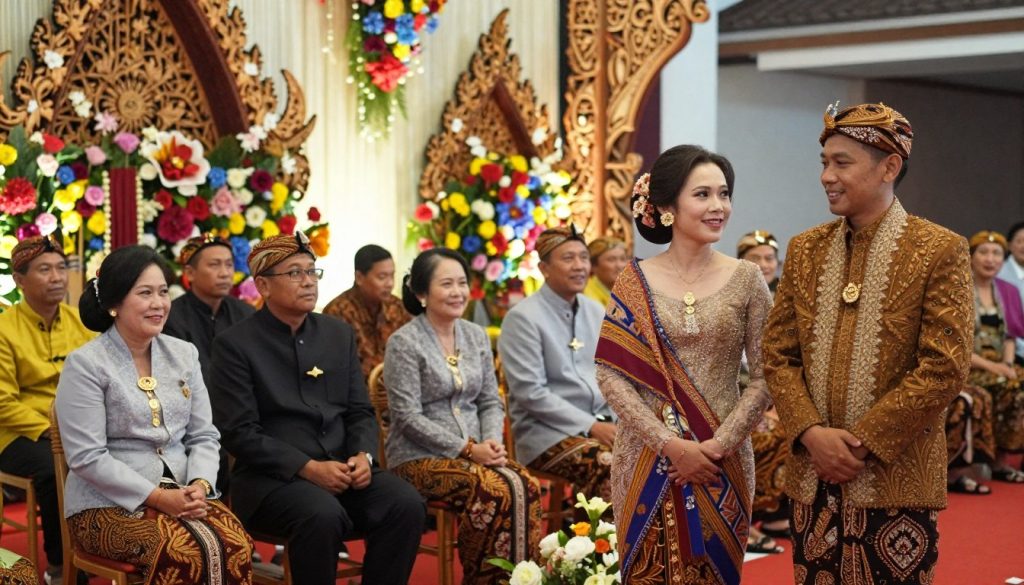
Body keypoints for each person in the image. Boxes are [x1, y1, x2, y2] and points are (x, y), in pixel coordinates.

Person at [763, 102, 974, 584]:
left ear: (889, 167)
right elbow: (777, 354)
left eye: (842, 163)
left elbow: (944, 365)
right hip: (813, 477)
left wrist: (861, 444)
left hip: (896, 479)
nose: (827, 176)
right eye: (824, 163)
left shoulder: (938, 249)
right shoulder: (805, 249)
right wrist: (812, 434)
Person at [596, 145, 773, 584]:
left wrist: (718, 445)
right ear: (667, 207)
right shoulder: (633, 281)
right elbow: (610, 373)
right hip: (645, 456)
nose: (718, 206)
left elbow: (767, 375)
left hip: (723, 459)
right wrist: (670, 445)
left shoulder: (748, 279)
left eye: (724, 194)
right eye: (702, 194)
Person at [210, 232, 425, 585]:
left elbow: (360, 410)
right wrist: (307, 468)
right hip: (273, 482)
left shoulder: (337, 333)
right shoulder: (235, 344)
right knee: (321, 515)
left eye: (312, 271)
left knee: (405, 504)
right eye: (295, 273)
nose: (308, 281)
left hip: (342, 471)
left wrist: (362, 456)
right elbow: (239, 432)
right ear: (263, 285)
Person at [54, 245, 253, 585]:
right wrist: (159, 497)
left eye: (163, 292)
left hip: (183, 491)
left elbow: (204, 435)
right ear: (114, 304)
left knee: (237, 545)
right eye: (145, 293)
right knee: (180, 551)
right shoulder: (86, 364)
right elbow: (87, 457)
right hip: (103, 503)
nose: (159, 303)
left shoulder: (184, 354)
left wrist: (200, 484)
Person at [384, 248, 542, 585]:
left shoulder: (475, 334)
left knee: (525, 484)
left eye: (462, 283)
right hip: (418, 456)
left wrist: (491, 444)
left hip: (477, 452)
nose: (457, 292)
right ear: (422, 292)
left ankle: (522, 579)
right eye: (447, 284)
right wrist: (468, 450)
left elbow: (490, 401)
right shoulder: (404, 342)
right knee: (491, 488)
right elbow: (407, 417)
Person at [0, 235, 94, 584]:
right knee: (56, 467)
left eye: (60, 268)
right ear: (19, 280)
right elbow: (2, 402)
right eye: (44, 270)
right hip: (18, 433)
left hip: (76, 426)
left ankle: (107, 546)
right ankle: (62, 566)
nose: (57, 277)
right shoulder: (4, 329)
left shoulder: (81, 322)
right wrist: (53, 431)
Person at [498, 226, 614, 503]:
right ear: (544, 268)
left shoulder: (595, 310)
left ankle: (629, 533)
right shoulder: (523, 318)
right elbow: (531, 393)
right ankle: (594, 533)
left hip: (601, 423)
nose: (579, 266)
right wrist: (590, 425)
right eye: (568, 258)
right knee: (608, 462)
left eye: (583, 258)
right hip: (545, 435)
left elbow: (612, 373)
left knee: (655, 452)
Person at [162, 233, 254, 495]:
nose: (225, 273)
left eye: (229, 264)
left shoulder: (246, 315)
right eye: (214, 265)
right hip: (194, 415)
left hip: (242, 412)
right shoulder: (172, 317)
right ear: (190, 273)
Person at [735, 230, 789, 554]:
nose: (764, 264)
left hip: (779, 394)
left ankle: (779, 513)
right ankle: (751, 518)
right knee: (770, 433)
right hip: (740, 398)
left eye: (769, 258)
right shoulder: (732, 296)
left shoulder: (786, 298)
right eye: (755, 258)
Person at [963, 231, 1024, 483]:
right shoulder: (959, 288)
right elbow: (958, 344)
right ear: (971, 256)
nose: (990, 259)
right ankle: (978, 461)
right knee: (1007, 386)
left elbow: (1011, 335)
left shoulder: (1008, 290)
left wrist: (1007, 364)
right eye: (984, 252)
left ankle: (1002, 460)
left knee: (1018, 382)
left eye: (996, 253)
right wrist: (994, 367)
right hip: (968, 365)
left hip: (999, 363)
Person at [322, 244, 411, 380]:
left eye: (392, 276)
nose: (389, 284)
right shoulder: (337, 312)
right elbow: (336, 369)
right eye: (382, 277)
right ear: (359, 277)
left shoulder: (398, 307)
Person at [998, 221, 1024, 364]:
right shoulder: (998, 273)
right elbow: (1007, 327)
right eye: (1019, 241)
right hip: (1012, 350)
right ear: (1009, 245)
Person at [583, 236, 628, 307]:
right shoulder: (586, 297)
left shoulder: (629, 291)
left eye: (622, 259)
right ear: (593, 265)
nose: (619, 265)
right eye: (611, 260)